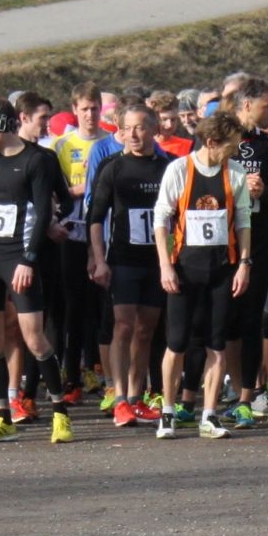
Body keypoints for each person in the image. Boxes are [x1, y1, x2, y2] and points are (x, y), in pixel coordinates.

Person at [0, 99, 75, 444]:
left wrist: (29, 259)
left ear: (1, 127)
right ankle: (2, 417)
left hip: (17, 257)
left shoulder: (37, 160)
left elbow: (45, 211)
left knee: (34, 337)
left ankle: (60, 414)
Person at [151, 111, 253, 440]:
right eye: (230, 145)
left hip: (221, 269)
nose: (235, 151)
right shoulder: (179, 170)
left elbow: (243, 221)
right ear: (211, 142)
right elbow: (161, 220)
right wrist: (165, 265)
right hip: (184, 269)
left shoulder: (235, 172)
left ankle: (209, 415)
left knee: (216, 345)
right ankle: (168, 412)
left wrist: (244, 264)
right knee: (177, 343)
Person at [87, 105, 172, 428]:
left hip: (156, 261)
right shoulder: (113, 167)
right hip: (123, 259)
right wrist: (98, 259)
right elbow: (95, 218)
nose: (133, 134)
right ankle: (120, 397)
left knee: (146, 329)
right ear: (120, 132)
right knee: (122, 326)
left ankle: (136, 398)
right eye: (127, 129)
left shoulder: (167, 167)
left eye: (140, 127)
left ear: (153, 129)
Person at [223, 78, 268, 428]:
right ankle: (239, 394)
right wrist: (234, 189)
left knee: (263, 319)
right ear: (247, 105)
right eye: (267, 105)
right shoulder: (219, 138)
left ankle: (264, 396)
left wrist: (265, 193)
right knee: (229, 322)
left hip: (260, 242)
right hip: (223, 243)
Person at [50, 83, 111, 403]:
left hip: (105, 233)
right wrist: (82, 189)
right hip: (72, 232)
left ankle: (101, 372)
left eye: (95, 108)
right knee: (73, 306)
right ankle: (71, 375)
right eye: (84, 109)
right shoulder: (62, 144)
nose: (90, 114)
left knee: (102, 307)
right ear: (75, 110)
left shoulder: (111, 141)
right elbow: (55, 190)